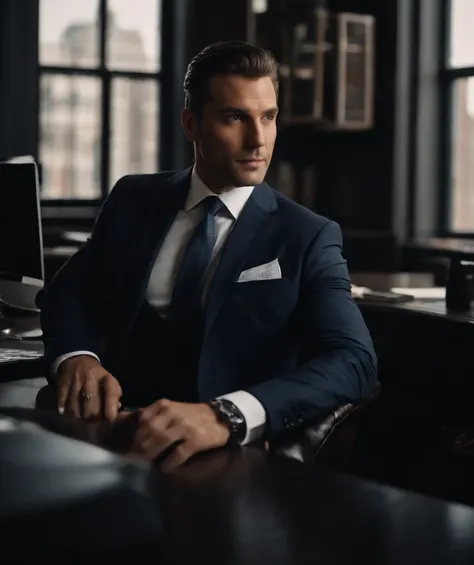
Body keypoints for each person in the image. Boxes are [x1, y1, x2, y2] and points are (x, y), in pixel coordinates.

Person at [40, 41, 377, 471]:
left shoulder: (308, 235)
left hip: (224, 455)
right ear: (191, 123)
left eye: (268, 118)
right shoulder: (134, 197)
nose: (258, 139)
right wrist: (76, 357)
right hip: (109, 436)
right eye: (235, 117)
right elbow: (68, 292)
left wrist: (228, 415)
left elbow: (355, 361)